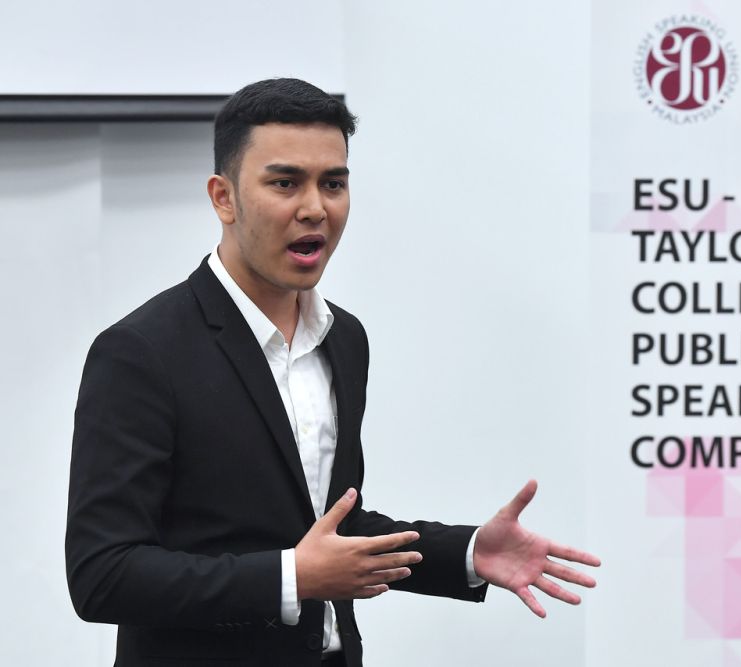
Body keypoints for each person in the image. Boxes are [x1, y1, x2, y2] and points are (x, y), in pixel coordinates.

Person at [65, 77, 599, 667]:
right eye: (285, 182)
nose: (316, 207)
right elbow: (103, 573)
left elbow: (331, 524)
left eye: (334, 183)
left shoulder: (344, 339)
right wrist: (291, 577)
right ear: (224, 197)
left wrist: (469, 553)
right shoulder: (141, 351)